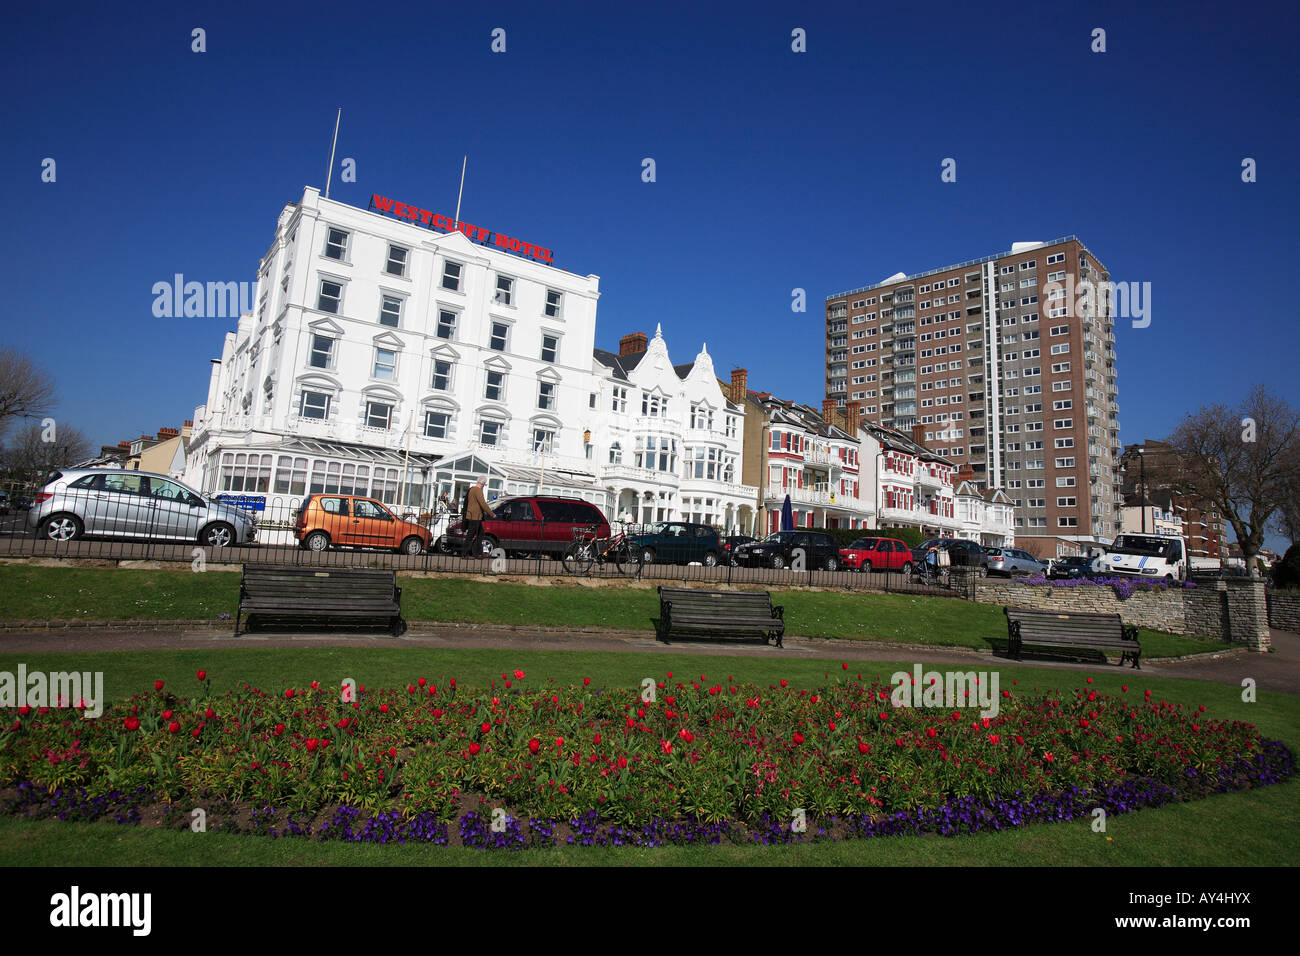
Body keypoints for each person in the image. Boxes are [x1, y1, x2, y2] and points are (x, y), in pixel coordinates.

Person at [460, 478, 496, 557]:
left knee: (480, 534)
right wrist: (491, 514)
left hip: (473, 516)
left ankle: (479, 553)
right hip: (475, 517)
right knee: (470, 535)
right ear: (483, 484)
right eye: (484, 484)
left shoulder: (472, 489)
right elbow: (483, 503)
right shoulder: (478, 490)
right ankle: (465, 554)